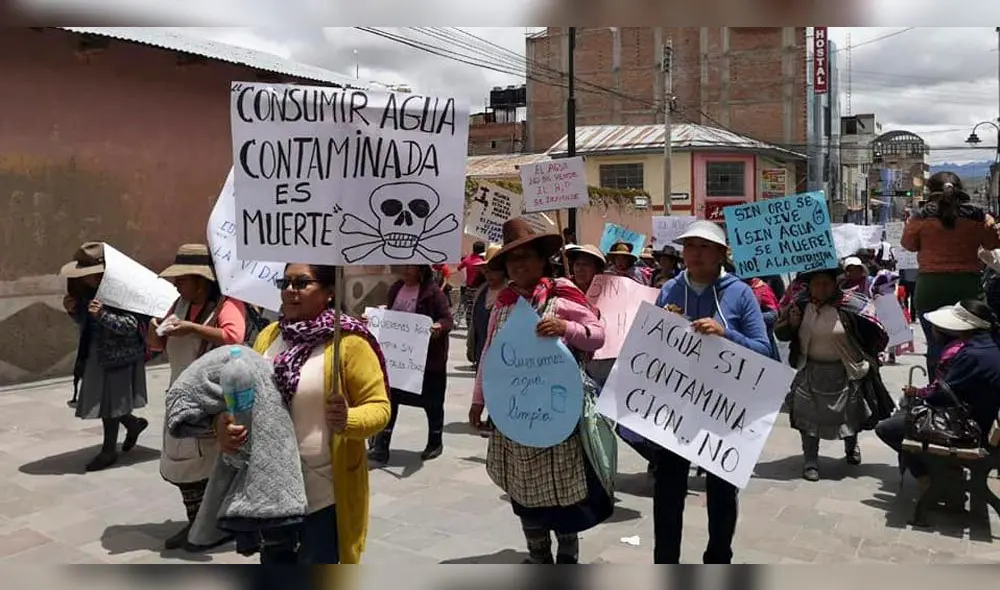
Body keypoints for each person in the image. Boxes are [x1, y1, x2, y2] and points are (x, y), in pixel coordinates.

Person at [218, 263, 391, 564]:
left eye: (301, 283)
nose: (289, 290)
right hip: (271, 494)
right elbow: (244, 398)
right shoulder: (269, 336)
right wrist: (226, 425)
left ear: (329, 291)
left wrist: (348, 419)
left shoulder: (349, 342)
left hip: (324, 496)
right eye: (285, 282)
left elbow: (380, 408)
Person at [468, 218, 612, 564]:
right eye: (512, 261)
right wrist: (478, 400)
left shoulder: (562, 296)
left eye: (526, 257)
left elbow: (598, 334)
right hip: (515, 415)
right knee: (525, 492)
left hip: (558, 415)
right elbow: (490, 354)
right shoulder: (501, 305)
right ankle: (538, 555)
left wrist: (566, 327)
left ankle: (567, 556)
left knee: (562, 490)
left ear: (541, 260)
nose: (519, 265)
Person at [652, 220, 772, 564]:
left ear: (722, 254)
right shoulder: (670, 289)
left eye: (705, 247)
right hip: (676, 407)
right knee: (668, 491)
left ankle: (718, 558)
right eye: (690, 246)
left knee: (721, 492)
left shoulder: (741, 293)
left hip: (723, 410)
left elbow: (764, 351)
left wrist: (726, 335)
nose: (695, 254)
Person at [148, 244, 247, 551]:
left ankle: (214, 525)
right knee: (183, 464)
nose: (176, 284)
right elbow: (154, 346)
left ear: (201, 280)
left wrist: (192, 328)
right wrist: (156, 331)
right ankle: (198, 522)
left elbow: (234, 337)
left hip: (213, 399)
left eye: (182, 279)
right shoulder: (178, 304)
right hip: (180, 393)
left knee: (212, 465)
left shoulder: (227, 304)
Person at [774, 267, 892, 482]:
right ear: (809, 286)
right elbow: (781, 334)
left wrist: (872, 357)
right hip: (809, 370)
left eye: (826, 283)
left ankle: (851, 447)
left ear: (835, 284)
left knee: (850, 414)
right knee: (807, 418)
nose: (821, 287)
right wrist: (791, 324)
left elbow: (875, 332)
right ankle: (810, 459)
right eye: (816, 283)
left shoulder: (851, 305)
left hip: (845, 370)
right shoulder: (799, 306)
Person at [875, 299, 1000, 493]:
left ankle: (928, 478)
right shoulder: (988, 345)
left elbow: (941, 395)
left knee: (886, 428)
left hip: (969, 428)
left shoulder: (972, 353)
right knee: (906, 412)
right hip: (979, 419)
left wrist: (919, 397)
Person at [60, 242, 149, 472]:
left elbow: (130, 326)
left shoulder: (123, 293)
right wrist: (75, 312)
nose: (85, 279)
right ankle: (132, 424)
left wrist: (103, 315)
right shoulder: (87, 293)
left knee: (110, 405)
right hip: (96, 354)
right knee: (106, 401)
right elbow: (86, 324)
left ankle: (109, 451)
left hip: (120, 356)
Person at [902, 171, 1000, 375]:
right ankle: (968, 392)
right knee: (972, 344)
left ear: (931, 191)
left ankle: (938, 395)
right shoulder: (979, 216)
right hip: (967, 287)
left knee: (936, 347)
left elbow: (908, 245)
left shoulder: (919, 217)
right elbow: (992, 243)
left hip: (931, 287)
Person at [368, 265, 453, 463]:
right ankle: (382, 444)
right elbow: (392, 314)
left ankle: (435, 442)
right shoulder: (396, 288)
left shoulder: (433, 293)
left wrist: (438, 326)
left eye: (409, 267)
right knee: (391, 399)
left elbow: (447, 319)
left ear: (421, 270)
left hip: (428, 360)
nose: (404, 271)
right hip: (399, 360)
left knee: (433, 402)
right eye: (402, 267)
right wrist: (379, 315)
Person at [457, 241, 488, 327]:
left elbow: (459, 268)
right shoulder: (481, 262)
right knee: (478, 308)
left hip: (468, 288)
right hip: (479, 288)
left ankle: (469, 325)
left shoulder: (467, 260)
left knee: (469, 308)